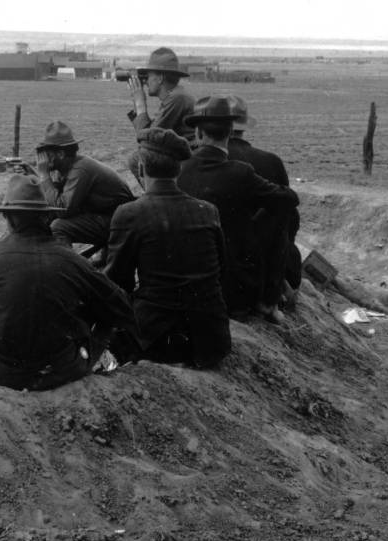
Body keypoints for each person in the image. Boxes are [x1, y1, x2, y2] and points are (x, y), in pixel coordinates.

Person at [0, 175, 137, 390]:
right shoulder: (72, 260)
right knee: (103, 307)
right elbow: (121, 307)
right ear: (47, 218)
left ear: (7, 218)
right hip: (66, 370)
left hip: (5, 375)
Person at [103, 129, 231, 368]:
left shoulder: (129, 213)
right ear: (178, 169)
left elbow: (118, 282)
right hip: (211, 340)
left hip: (157, 341)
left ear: (141, 169)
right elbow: (221, 271)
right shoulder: (208, 210)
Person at [176, 95, 299, 322]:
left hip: (187, 281)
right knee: (279, 211)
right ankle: (269, 301)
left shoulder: (180, 169)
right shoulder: (243, 172)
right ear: (231, 129)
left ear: (199, 134)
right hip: (235, 289)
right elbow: (290, 200)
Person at [227, 96, 302, 311]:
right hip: (267, 267)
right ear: (243, 126)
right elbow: (290, 217)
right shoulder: (271, 161)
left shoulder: (206, 162)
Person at [34, 121, 134, 252]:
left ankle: (67, 266)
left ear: (61, 154)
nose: (44, 159)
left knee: (59, 226)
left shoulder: (80, 169)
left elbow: (62, 210)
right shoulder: (67, 166)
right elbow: (54, 195)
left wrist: (43, 175)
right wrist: (33, 175)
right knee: (43, 219)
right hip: (104, 216)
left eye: (47, 153)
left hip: (120, 223)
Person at [126, 47, 196, 141]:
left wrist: (140, 104)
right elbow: (150, 131)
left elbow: (148, 142)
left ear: (160, 78)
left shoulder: (177, 98)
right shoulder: (176, 96)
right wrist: (137, 104)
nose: (146, 82)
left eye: (148, 76)